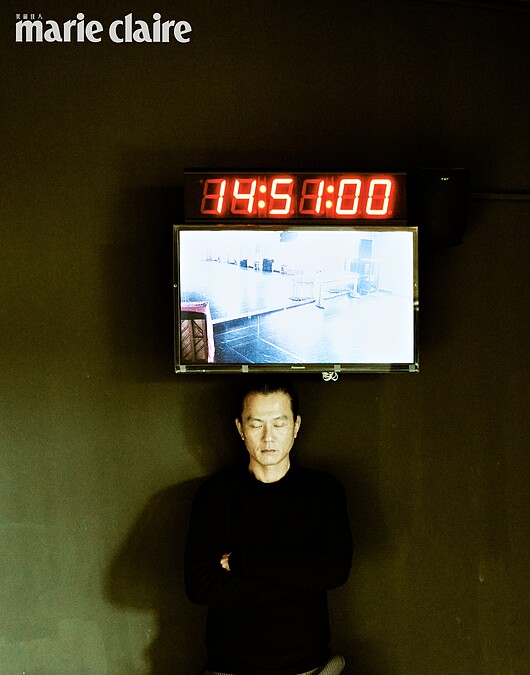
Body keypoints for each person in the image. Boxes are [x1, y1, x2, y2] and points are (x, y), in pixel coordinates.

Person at [184, 379, 352, 675]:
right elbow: (199, 586)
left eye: (279, 423)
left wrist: (243, 561)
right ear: (240, 428)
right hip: (229, 669)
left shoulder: (323, 492)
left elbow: (334, 570)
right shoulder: (215, 496)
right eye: (256, 424)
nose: (268, 437)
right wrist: (299, 577)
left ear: (296, 426)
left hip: (310, 668)